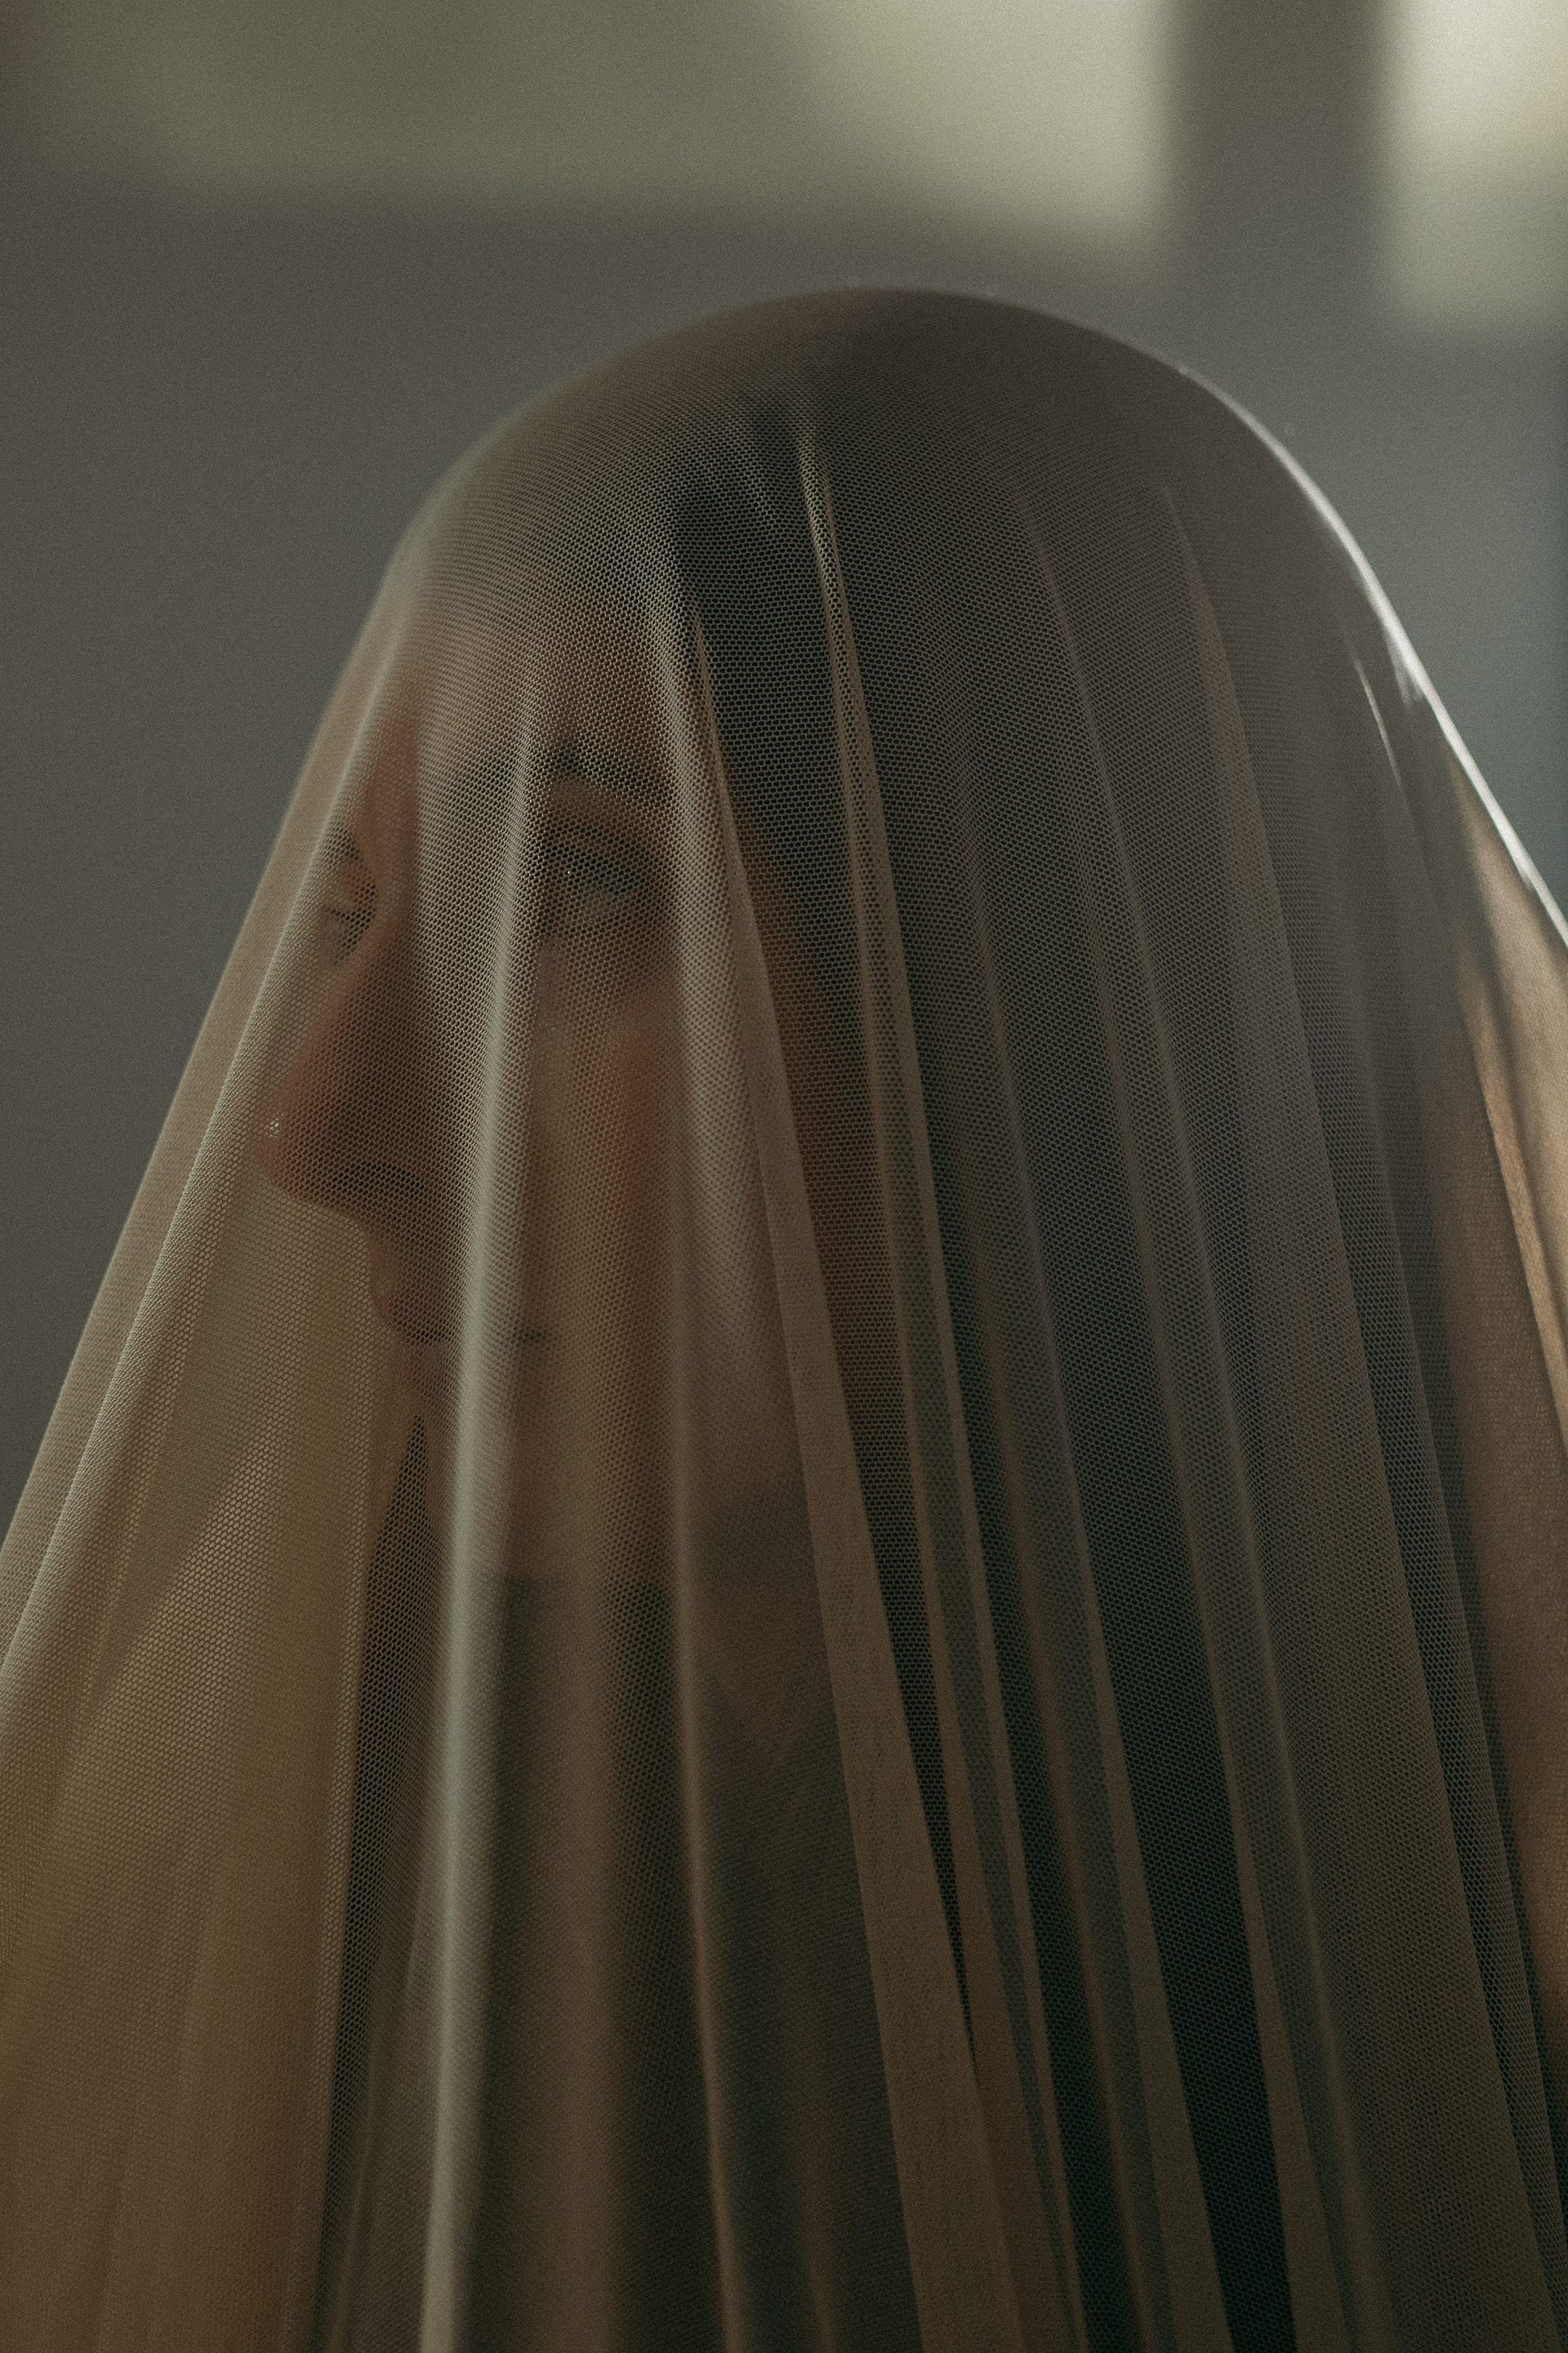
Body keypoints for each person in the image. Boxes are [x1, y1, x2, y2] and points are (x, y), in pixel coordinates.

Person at [2, 290, 1567, 2352]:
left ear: (1053, 1002)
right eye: (350, 912)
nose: (310, 1123)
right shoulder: (228, 1951)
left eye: (568, 882)